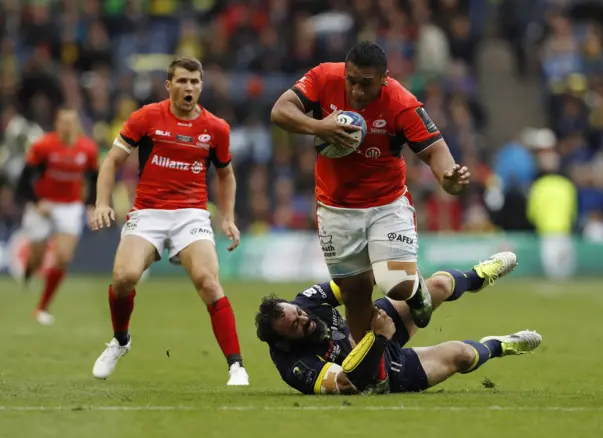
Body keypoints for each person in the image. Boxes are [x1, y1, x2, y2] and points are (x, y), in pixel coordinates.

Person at [270, 41, 471, 348]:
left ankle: (416, 290)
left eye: (366, 84)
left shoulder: (401, 102)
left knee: (397, 286)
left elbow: (436, 152)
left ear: (384, 78)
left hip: (386, 205)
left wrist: (450, 178)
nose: (357, 90)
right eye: (351, 81)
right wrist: (319, 126)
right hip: (335, 208)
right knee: (355, 294)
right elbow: (280, 110)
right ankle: (369, 367)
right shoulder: (324, 77)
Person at [89, 57, 249, 386]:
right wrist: (102, 203)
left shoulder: (216, 128)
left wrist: (229, 217)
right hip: (147, 212)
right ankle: (120, 342)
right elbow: (111, 162)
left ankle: (236, 366)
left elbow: (226, 174)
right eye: (181, 81)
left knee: (207, 281)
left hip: (190, 214)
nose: (188, 87)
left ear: (201, 86)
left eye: (194, 81)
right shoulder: (146, 117)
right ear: (168, 85)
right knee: (124, 278)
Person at [255, 252, 540, 395]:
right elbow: (346, 382)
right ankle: (502, 345)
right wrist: (378, 339)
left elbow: (354, 286)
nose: (305, 319)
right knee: (461, 355)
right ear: (283, 341)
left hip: (371, 325)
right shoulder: (294, 366)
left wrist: (391, 279)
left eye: (299, 314)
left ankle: (479, 275)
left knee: (437, 285)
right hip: (384, 373)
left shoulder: (305, 302)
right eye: (296, 326)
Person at [14, 107, 99, 326]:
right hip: (43, 205)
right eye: (63, 121)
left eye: (71, 121)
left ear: (76, 124)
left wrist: (91, 205)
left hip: (70, 207)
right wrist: (37, 202)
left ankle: (42, 307)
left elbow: (94, 178)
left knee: (63, 257)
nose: (67, 126)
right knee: (37, 258)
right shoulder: (43, 146)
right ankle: (28, 274)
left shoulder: (87, 149)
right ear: (57, 124)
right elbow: (24, 180)